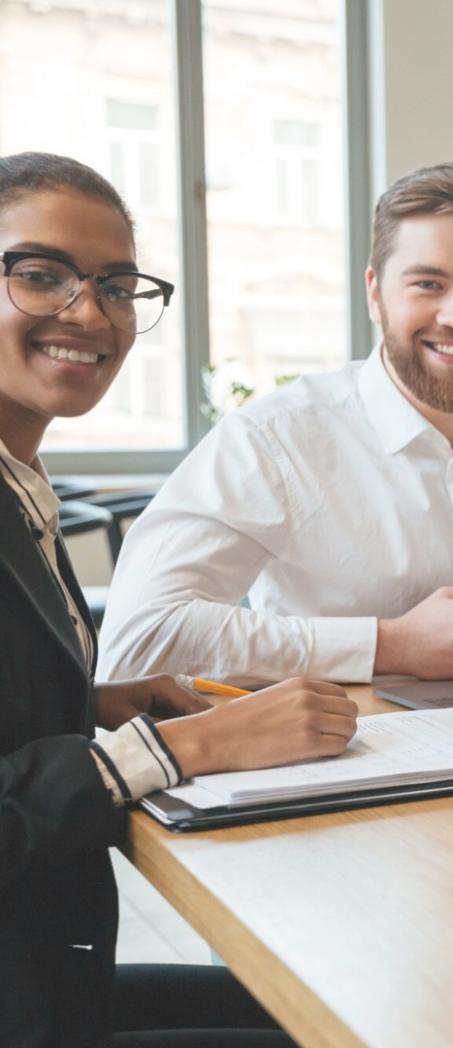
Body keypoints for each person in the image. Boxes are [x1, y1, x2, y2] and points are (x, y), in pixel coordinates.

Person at [0, 151, 358, 1045]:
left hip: (45, 971)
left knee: (329, 1005)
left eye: (117, 286)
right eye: (40, 276)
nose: (90, 312)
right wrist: (180, 747)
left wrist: (94, 704)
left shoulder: (21, 485)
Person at [100, 162, 453, 686]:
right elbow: (137, 638)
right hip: (349, 761)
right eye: (428, 284)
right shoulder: (275, 440)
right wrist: (390, 644)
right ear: (376, 293)